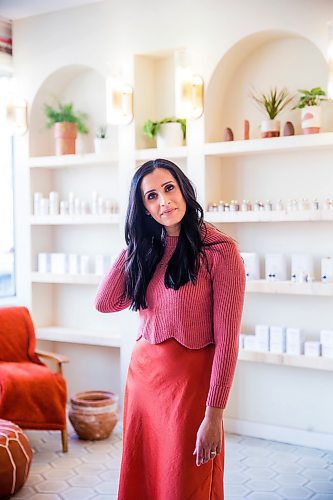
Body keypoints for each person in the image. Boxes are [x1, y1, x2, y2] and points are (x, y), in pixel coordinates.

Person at [95, 158, 245, 500]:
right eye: (150, 197)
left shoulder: (221, 251)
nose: (164, 201)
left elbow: (227, 343)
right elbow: (105, 302)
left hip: (190, 389)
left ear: (183, 190)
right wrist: (135, 242)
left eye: (168, 188)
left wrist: (214, 415)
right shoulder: (146, 249)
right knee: (143, 476)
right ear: (143, 208)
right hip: (144, 381)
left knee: (185, 482)